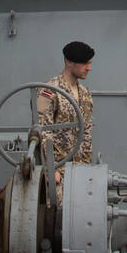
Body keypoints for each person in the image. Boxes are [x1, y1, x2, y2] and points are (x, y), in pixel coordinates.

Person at [36, 41, 95, 184]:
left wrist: (87, 168)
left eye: (90, 63)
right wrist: (52, 168)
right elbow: (43, 131)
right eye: (84, 63)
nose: (89, 68)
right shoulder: (49, 91)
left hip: (81, 171)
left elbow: (86, 133)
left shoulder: (85, 94)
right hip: (59, 172)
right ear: (69, 62)